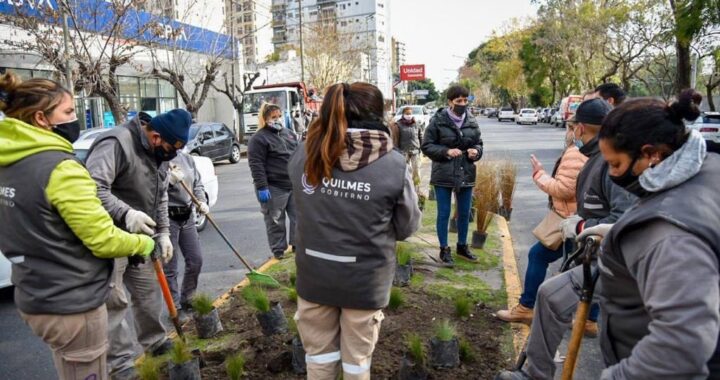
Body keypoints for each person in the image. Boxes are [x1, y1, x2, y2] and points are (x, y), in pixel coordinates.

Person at [0, 72, 154, 380]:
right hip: (72, 303)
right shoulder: (60, 168)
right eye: (68, 112)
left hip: (34, 295)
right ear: (42, 118)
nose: (75, 119)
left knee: (67, 365)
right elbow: (103, 240)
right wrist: (142, 244)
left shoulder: (9, 161)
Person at [579, 90, 720, 379]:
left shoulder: (668, 235)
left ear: (652, 154)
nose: (613, 174)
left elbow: (681, 348)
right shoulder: (705, 167)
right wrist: (624, 232)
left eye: (616, 164)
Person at [288, 82, 421, 380]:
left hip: (314, 275)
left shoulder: (303, 155)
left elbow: (301, 206)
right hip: (365, 282)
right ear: (379, 115)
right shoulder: (394, 165)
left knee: (319, 361)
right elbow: (407, 227)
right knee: (356, 364)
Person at [496, 98, 636, 380]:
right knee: (549, 295)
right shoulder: (596, 158)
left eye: (572, 127)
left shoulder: (611, 164)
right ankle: (535, 374)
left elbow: (624, 218)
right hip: (595, 253)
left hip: (618, 262)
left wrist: (583, 225)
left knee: (616, 335)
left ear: (579, 128)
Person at [85, 108, 192, 379]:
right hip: (109, 237)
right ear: (155, 136)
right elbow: (92, 188)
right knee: (114, 301)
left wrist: (164, 233)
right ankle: (120, 365)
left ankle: (155, 342)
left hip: (141, 239)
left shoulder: (160, 153)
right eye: (168, 148)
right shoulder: (116, 143)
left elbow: (162, 193)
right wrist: (126, 213)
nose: (170, 155)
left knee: (147, 294)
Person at [496, 125, 588, 324]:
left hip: (571, 221)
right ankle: (590, 318)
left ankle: (528, 308)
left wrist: (540, 175)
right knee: (584, 266)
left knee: (553, 261)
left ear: (578, 129)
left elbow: (564, 189)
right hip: (581, 219)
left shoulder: (576, 152)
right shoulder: (597, 150)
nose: (567, 132)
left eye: (569, 127)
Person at [421, 85, 483, 264]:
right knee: (444, 212)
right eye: (459, 101)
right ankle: (444, 248)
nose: (463, 104)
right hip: (444, 174)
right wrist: (447, 151)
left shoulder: (472, 120)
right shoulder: (437, 120)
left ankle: (462, 246)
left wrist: (476, 152)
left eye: (465, 100)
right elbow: (427, 146)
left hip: (466, 172)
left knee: (464, 212)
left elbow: (479, 143)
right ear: (450, 102)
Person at [247, 102, 299, 260]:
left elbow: (297, 156)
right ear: (265, 119)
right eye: (273, 117)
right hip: (273, 186)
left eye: (279, 117)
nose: (277, 120)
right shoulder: (259, 139)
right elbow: (256, 165)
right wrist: (262, 186)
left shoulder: (289, 134)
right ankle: (279, 251)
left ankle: (298, 246)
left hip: (292, 185)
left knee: (299, 217)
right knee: (275, 221)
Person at [164, 151, 209, 319]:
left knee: (195, 260)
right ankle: (174, 308)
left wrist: (201, 201)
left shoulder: (187, 158)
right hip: (167, 217)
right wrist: (169, 181)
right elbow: (152, 189)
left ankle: (188, 299)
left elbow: (197, 183)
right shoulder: (159, 160)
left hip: (187, 215)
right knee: (170, 266)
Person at [396, 106, 423, 194]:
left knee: (416, 170)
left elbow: (420, 136)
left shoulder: (416, 123)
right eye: (407, 114)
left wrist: (422, 147)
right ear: (403, 114)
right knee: (405, 170)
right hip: (403, 151)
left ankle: (416, 191)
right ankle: (405, 189)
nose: (409, 115)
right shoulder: (398, 124)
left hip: (415, 150)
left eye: (410, 114)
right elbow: (396, 138)